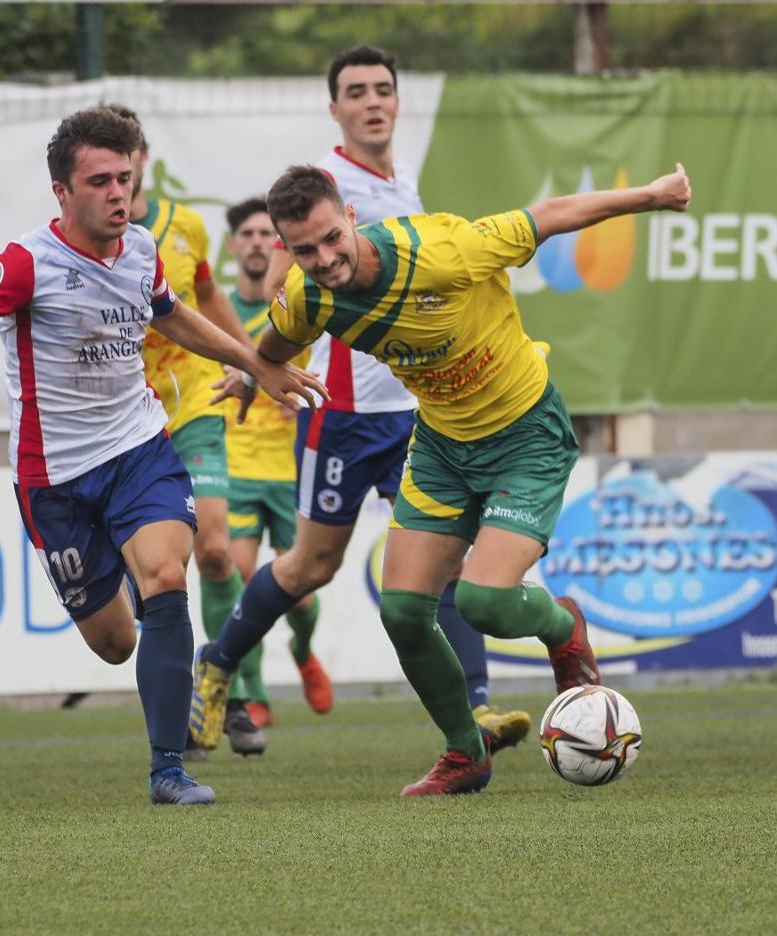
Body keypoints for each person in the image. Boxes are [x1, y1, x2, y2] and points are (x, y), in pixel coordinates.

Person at [0, 108, 326, 805]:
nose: (118, 193)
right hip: (54, 479)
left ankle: (168, 770)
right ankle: (139, 619)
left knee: (164, 574)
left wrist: (256, 364)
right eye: (99, 181)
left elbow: (174, 314)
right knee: (116, 643)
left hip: (138, 448)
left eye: (125, 177)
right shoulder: (26, 262)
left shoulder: (144, 250)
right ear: (62, 192)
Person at [195, 161, 692, 796]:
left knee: (482, 601)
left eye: (330, 239)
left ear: (351, 218)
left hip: (524, 437)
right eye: (303, 250)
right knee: (403, 611)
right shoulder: (306, 293)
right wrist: (249, 372)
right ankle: (465, 753)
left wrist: (652, 195)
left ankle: (563, 627)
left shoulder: (443, 248)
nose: (322, 259)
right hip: (441, 447)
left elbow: (549, 217)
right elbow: (279, 339)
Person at [258, 45, 532, 745]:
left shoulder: (401, 176)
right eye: (357, 92)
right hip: (342, 414)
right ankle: (219, 662)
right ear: (336, 110)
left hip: (410, 411)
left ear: (399, 101)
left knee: (445, 560)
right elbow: (286, 290)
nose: (373, 102)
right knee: (311, 565)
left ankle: (474, 709)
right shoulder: (328, 187)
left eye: (384, 89)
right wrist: (260, 356)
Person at [105, 103, 266, 757]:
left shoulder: (187, 227)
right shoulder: (86, 243)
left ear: (142, 158)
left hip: (192, 401)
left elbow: (207, 296)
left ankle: (228, 687)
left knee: (217, 551)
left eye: (129, 155)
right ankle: (188, 699)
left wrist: (250, 360)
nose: (121, 172)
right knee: (153, 576)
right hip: (124, 423)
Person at [222, 197, 333, 728]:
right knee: (240, 578)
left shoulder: (294, 309)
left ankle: (304, 650)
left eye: (267, 234)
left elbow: (329, 371)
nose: (256, 242)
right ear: (232, 246)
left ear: (281, 247)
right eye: (246, 234)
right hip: (238, 469)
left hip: (291, 472)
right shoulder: (215, 314)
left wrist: (311, 405)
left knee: (300, 595)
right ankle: (253, 691)